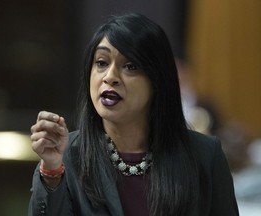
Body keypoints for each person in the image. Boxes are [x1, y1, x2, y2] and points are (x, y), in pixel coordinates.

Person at [28, 13, 239, 216]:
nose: (110, 77)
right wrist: (53, 171)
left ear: (157, 79)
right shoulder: (66, 156)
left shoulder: (205, 156)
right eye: (101, 63)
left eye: (130, 66)